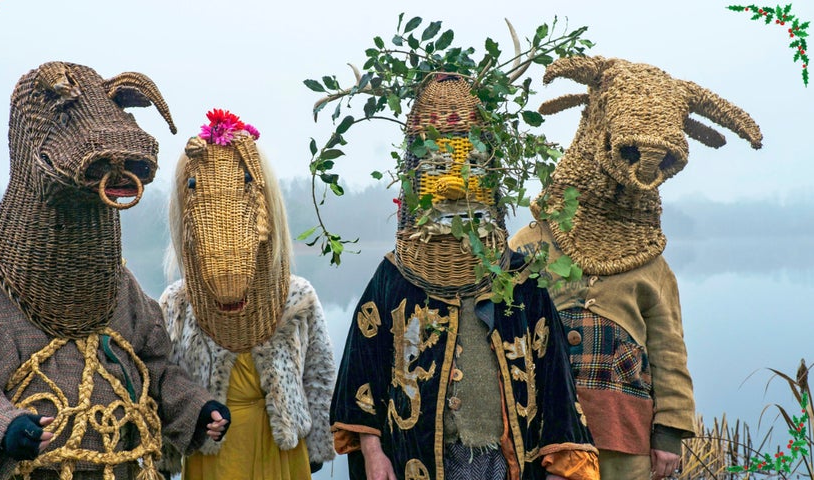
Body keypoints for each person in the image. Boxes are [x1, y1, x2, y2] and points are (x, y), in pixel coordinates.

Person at [0, 61, 229, 480]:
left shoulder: (118, 290)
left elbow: (156, 368)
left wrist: (197, 408)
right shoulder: (4, 294)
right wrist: (6, 428)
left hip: (119, 467)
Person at [330, 76, 599, 480]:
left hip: (504, 462)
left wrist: (560, 468)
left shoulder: (521, 279)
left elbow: (555, 380)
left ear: (491, 174)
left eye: (469, 164)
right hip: (419, 459)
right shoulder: (394, 277)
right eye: (438, 166)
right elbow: (361, 373)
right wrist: (373, 453)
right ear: (416, 177)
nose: (453, 184)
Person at [510, 55, 762, 480]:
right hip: (543, 431)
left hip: (625, 438)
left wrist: (669, 434)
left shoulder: (651, 268)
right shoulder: (530, 244)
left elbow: (668, 350)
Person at [158, 109, 336, 479]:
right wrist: (170, 448)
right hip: (213, 453)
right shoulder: (178, 304)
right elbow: (164, 381)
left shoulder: (297, 297)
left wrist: (318, 442)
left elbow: (319, 375)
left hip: (281, 448)